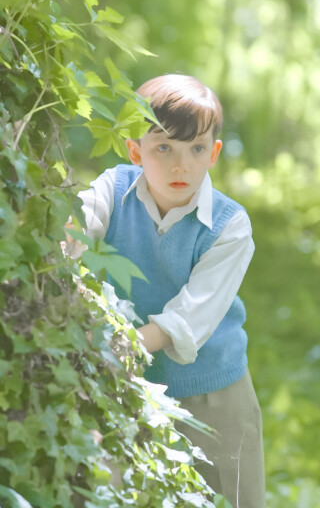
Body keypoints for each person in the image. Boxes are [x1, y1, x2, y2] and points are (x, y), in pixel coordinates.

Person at [74, 74, 265, 507]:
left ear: (213, 153)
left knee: (228, 496)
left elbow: (192, 314)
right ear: (135, 150)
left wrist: (119, 346)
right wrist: (66, 242)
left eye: (196, 149)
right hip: (126, 385)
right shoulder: (113, 187)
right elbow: (76, 227)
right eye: (164, 148)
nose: (181, 165)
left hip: (212, 392)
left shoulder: (229, 226)